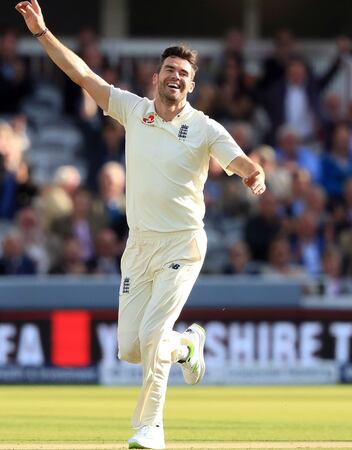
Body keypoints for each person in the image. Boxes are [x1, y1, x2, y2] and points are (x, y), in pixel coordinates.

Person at [15, 2, 266, 448]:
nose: (175, 76)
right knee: (131, 348)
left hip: (182, 244)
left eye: (183, 73)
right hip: (140, 246)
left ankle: (150, 428)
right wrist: (42, 33)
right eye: (168, 68)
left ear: (192, 84)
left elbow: (237, 158)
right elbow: (82, 75)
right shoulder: (134, 110)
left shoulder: (204, 128)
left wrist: (252, 172)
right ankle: (187, 347)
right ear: (156, 77)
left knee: (152, 336)